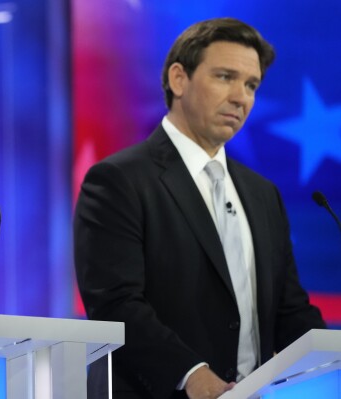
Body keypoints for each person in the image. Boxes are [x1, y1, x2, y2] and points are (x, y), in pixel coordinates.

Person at [74, 17, 326, 399]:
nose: (241, 97)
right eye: (225, 77)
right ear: (179, 79)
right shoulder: (117, 180)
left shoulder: (263, 194)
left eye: (251, 84)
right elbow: (116, 305)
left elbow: (289, 309)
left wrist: (330, 360)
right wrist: (191, 373)